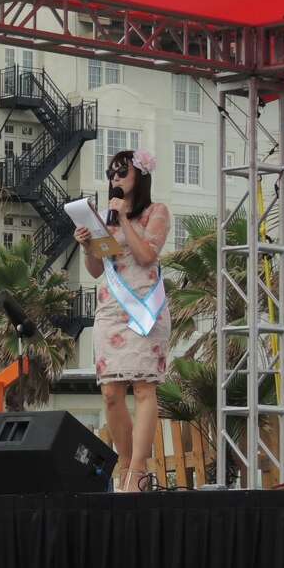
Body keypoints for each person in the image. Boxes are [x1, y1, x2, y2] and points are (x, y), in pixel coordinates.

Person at [74, 148, 171, 493]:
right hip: (110, 310)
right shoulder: (103, 218)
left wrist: (126, 220)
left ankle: (138, 470)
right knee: (111, 392)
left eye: (122, 173)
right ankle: (126, 464)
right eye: (112, 174)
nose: (116, 179)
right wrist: (87, 246)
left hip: (145, 309)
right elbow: (98, 268)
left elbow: (146, 256)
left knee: (144, 388)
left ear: (139, 176)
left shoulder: (156, 212)